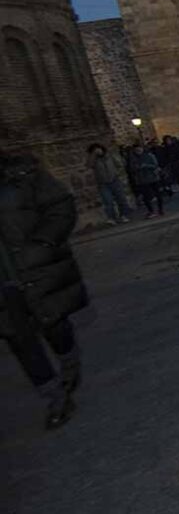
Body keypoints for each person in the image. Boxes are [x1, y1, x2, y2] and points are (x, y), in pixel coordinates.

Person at [1, 151, 86, 430]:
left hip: (34, 269)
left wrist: (43, 243)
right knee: (20, 341)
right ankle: (55, 397)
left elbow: (61, 207)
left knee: (54, 324)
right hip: (4, 285)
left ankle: (69, 362)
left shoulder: (22, 171)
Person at [87, 143, 132, 225]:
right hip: (103, 183)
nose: (98, 151)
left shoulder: (109, 156)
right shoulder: (94, 160)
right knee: (108, 201)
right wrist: (93, 155)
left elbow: (120, 164)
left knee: (121, 199)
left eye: (98, 149)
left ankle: (123, 216)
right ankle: (111, 218)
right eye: (95, 150)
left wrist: (117, 173)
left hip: (114, 180)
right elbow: (89, 165)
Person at [130, 144, 164, 219]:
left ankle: (160, 209)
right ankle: (151, 211)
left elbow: (155, 165)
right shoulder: (133, 158)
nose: (138, 151)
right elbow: (132, 168)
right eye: (136, 150)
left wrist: (146, 166)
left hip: (152, 178)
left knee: (158, 194)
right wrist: (137, 168)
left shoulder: (149, 156)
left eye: (139, 149)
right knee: (146, 197)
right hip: (142, 180)